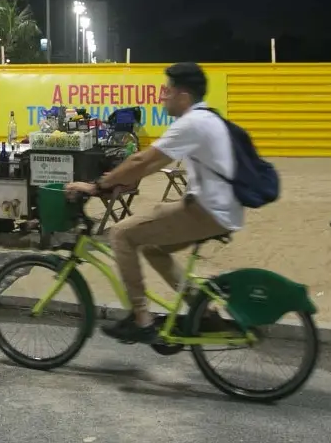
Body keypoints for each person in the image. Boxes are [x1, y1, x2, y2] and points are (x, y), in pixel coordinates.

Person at [66, 63, 242, 343]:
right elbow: (154, 163)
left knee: (120, 233)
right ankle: (202, 312)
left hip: (206, 210)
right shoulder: (206, 118)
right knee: (150, 246)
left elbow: (141, 159)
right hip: (218, 209)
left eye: (167, 91)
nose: (162, 96)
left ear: (183, 96)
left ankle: (141, 320)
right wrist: (118, 182)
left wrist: (97, 185)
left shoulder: (192, 123)